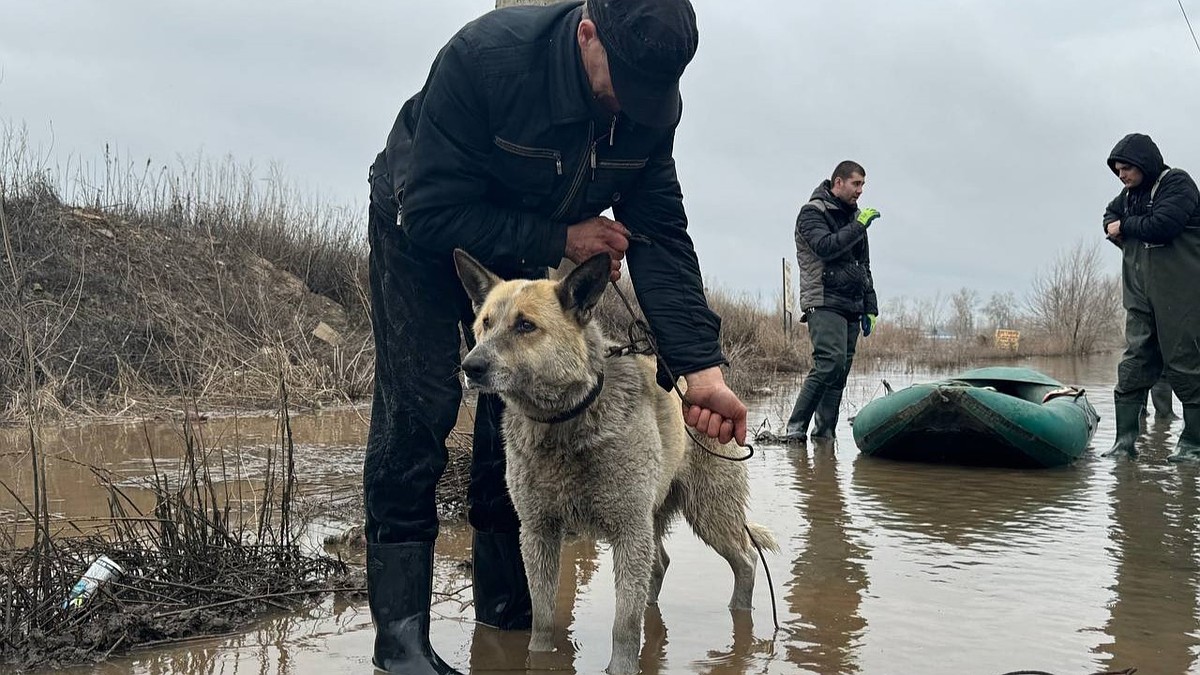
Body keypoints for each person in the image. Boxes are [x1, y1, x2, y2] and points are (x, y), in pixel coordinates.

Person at [362, 0, 748, 671]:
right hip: (419, 229)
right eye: (622, 87)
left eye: (655, 96)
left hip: (521, 240)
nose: (635, 108)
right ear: (588, 34)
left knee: (508, 433)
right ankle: (400, 646)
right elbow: (428, 207)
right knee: (418, 411)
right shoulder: (486, 60)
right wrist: (560, 238)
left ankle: (508, 625)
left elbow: (658, 235)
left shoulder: (650, 105)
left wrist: (702, 369)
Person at [1100, 132, 1200, 461]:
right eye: (1117, 171)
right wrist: (1119, 225)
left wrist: (1125, 227)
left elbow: (1163, 225)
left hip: (1183, 295)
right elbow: (1108, 218)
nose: (1122, 175)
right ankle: (1124, 444)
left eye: (1127, 168)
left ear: (1144, 163)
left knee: (1185, 366)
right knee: (1133, 365)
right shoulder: (1128, 196)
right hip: (1141, 295)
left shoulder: (1177, 183)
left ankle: (1192, 445)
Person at [784, 161, 880, 442]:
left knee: (840, 372)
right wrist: (858, 227)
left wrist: (870, 307)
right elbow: (826, 247)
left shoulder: (856, 219)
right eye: (856, 184)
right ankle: (795, 428)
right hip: (823, 299)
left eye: (863, 185)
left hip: (851, 304)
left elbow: (865, 265)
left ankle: (825, 435)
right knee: (829, 362)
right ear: (838, 182)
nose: (860, 191)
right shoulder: (812, 213)